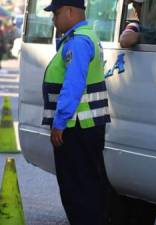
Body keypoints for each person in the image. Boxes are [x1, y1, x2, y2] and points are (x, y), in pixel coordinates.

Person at [41, 1, 111, 225]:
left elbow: (73, 85)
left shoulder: (78, 42)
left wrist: (59, 122)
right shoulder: (81, 37)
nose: (53, 19)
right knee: (87, 189)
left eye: (57, 13)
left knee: (78, 192)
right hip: (83, 126)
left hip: (75, 128)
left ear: (70, 11)